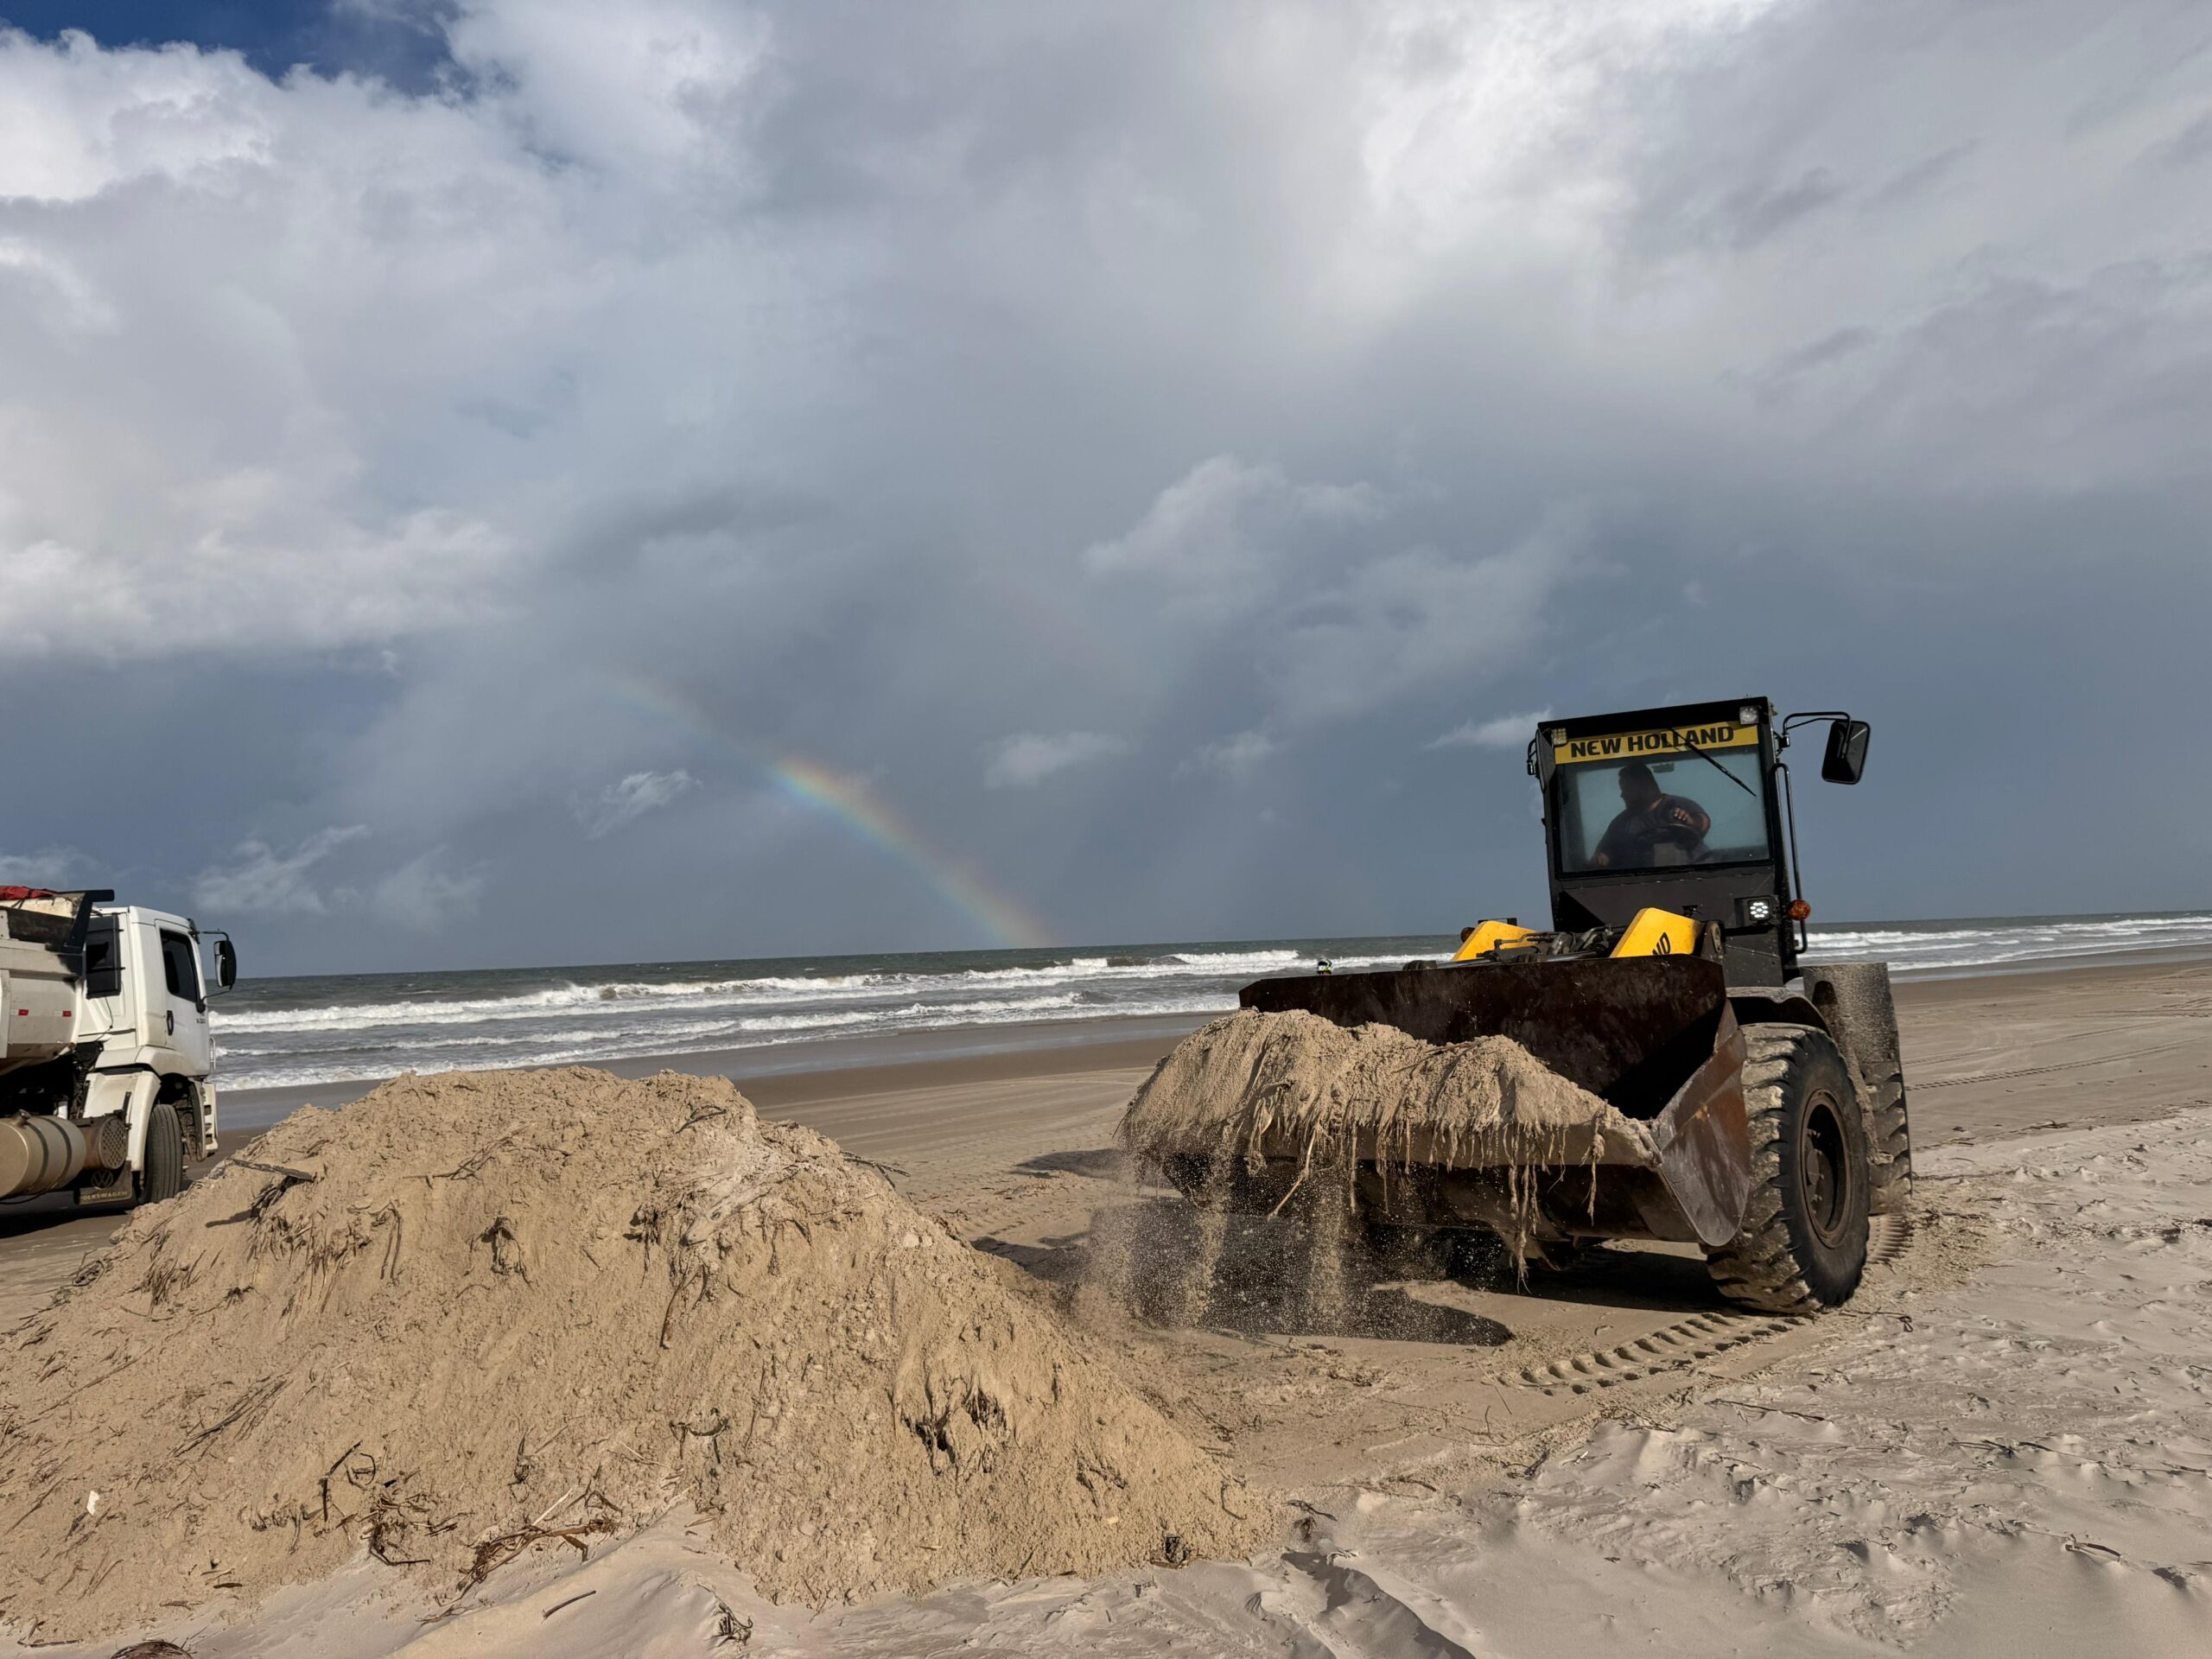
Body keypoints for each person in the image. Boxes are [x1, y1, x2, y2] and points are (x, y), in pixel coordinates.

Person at [1592, 761, 1712, 868]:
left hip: (1695, 874)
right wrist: (1603, 856)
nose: (1622, 795)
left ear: (1642, 787)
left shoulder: (1680, 804)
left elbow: (1703, 824)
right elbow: (1603, 852)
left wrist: (1691, 821)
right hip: (1644, 884)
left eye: (1626, 788)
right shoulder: (1621, 822)